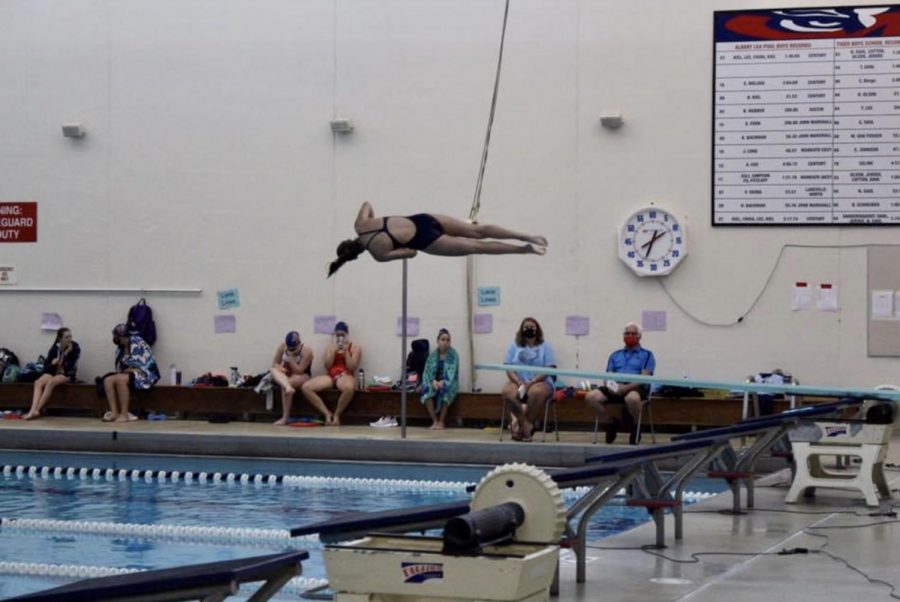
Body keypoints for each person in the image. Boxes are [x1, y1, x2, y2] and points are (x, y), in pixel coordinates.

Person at [327, 201, 548, 276]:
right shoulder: (361, 224)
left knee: (476, 247)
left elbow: (411, 253)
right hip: (424, 219)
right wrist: (377, 221)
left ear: (355, 256)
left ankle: (523, 250)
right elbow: (367, 204)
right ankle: (524, 235)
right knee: (478, 230)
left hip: (424, 240)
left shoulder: (378, 253)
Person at [585, 322, 656, 445]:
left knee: (632, 399)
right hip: (615, 387)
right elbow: (607, 376)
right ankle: (610, 424)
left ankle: (635, 427)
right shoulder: (615, 355)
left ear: (639, 336)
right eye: (627, 333)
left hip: (635, 387)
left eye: (633, 333)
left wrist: (625, 388)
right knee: (590, 397)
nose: (630, 336)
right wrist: (613, 387)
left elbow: (644, 378)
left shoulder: (647, 355)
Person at [501, 317, 556, 442]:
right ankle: (525, 426)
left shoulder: (545, 347)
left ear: (537, 330)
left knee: (535, 392)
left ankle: (521, 425)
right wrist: (518, 381)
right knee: (507, 392)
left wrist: (532, 382)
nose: (529, 330)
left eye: (532, 327)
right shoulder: (514, 346)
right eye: (526, 327)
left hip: (540, 381)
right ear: (521, 330)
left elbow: (549, 369)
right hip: (518, 381)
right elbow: (508, 368)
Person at [301, 321, 361, 425]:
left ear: (347, 335)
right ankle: (327, 413)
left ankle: (337, 414)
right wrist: (334, 352)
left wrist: (346, 352)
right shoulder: (330, 347)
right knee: (306, 387)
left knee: (350, 388)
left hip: (345, 374)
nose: (340, 337)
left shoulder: (355, 348)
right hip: (331, 374)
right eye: (338, 335)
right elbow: (327, 366)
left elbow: (352, 367)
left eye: (343, 335)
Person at [100, 323, 160, 423]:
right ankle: (114, 412)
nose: (114, 338)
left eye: (116, 336)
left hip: (147, 375)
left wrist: (129, 369)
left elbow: (142, 365)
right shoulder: (120, 348)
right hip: (130, 374)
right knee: (107, 380)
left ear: (122, 336)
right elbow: (120, 367)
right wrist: (128, 369)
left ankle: (124, 414)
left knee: (120, 380)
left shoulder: (138, 343)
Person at [23, 328, 81, 420]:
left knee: (51, 382)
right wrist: (52, 364)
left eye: (70, 336)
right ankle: (32, 410)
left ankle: (36, 410)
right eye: (66, 337)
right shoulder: (55, 348)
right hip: (53, 372)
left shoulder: (75, 347)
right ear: (60, 339)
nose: (69, 339)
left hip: (66, 374)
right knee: (38, 382)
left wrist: (65, 354)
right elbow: (46, 367)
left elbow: (70, 367)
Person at [271, 331, 314, 425]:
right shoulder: (282, 346)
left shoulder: (307, 351)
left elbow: (299, 370)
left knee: (287, 382)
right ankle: (287, 387)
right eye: (289, 348)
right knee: (273, 370)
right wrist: (281, 368)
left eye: (294, 348)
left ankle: (285, 417)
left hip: (302, 376)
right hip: (286, 374)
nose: (291, 350)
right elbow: (275, 363)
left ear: (299, 344)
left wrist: (290, 357)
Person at [420, 328, 459, 429]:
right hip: (434, 381)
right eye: (443, 339)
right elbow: (427, 372)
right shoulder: (432, 356)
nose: (445, 342)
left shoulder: (453, 355)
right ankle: (434, 420)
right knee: (426, 389)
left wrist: (443, 382)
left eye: (447, 340)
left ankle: (441, 421)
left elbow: (452, 373)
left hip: (449, 382)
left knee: (446, 390)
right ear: (438, 341)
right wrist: (433, 381)